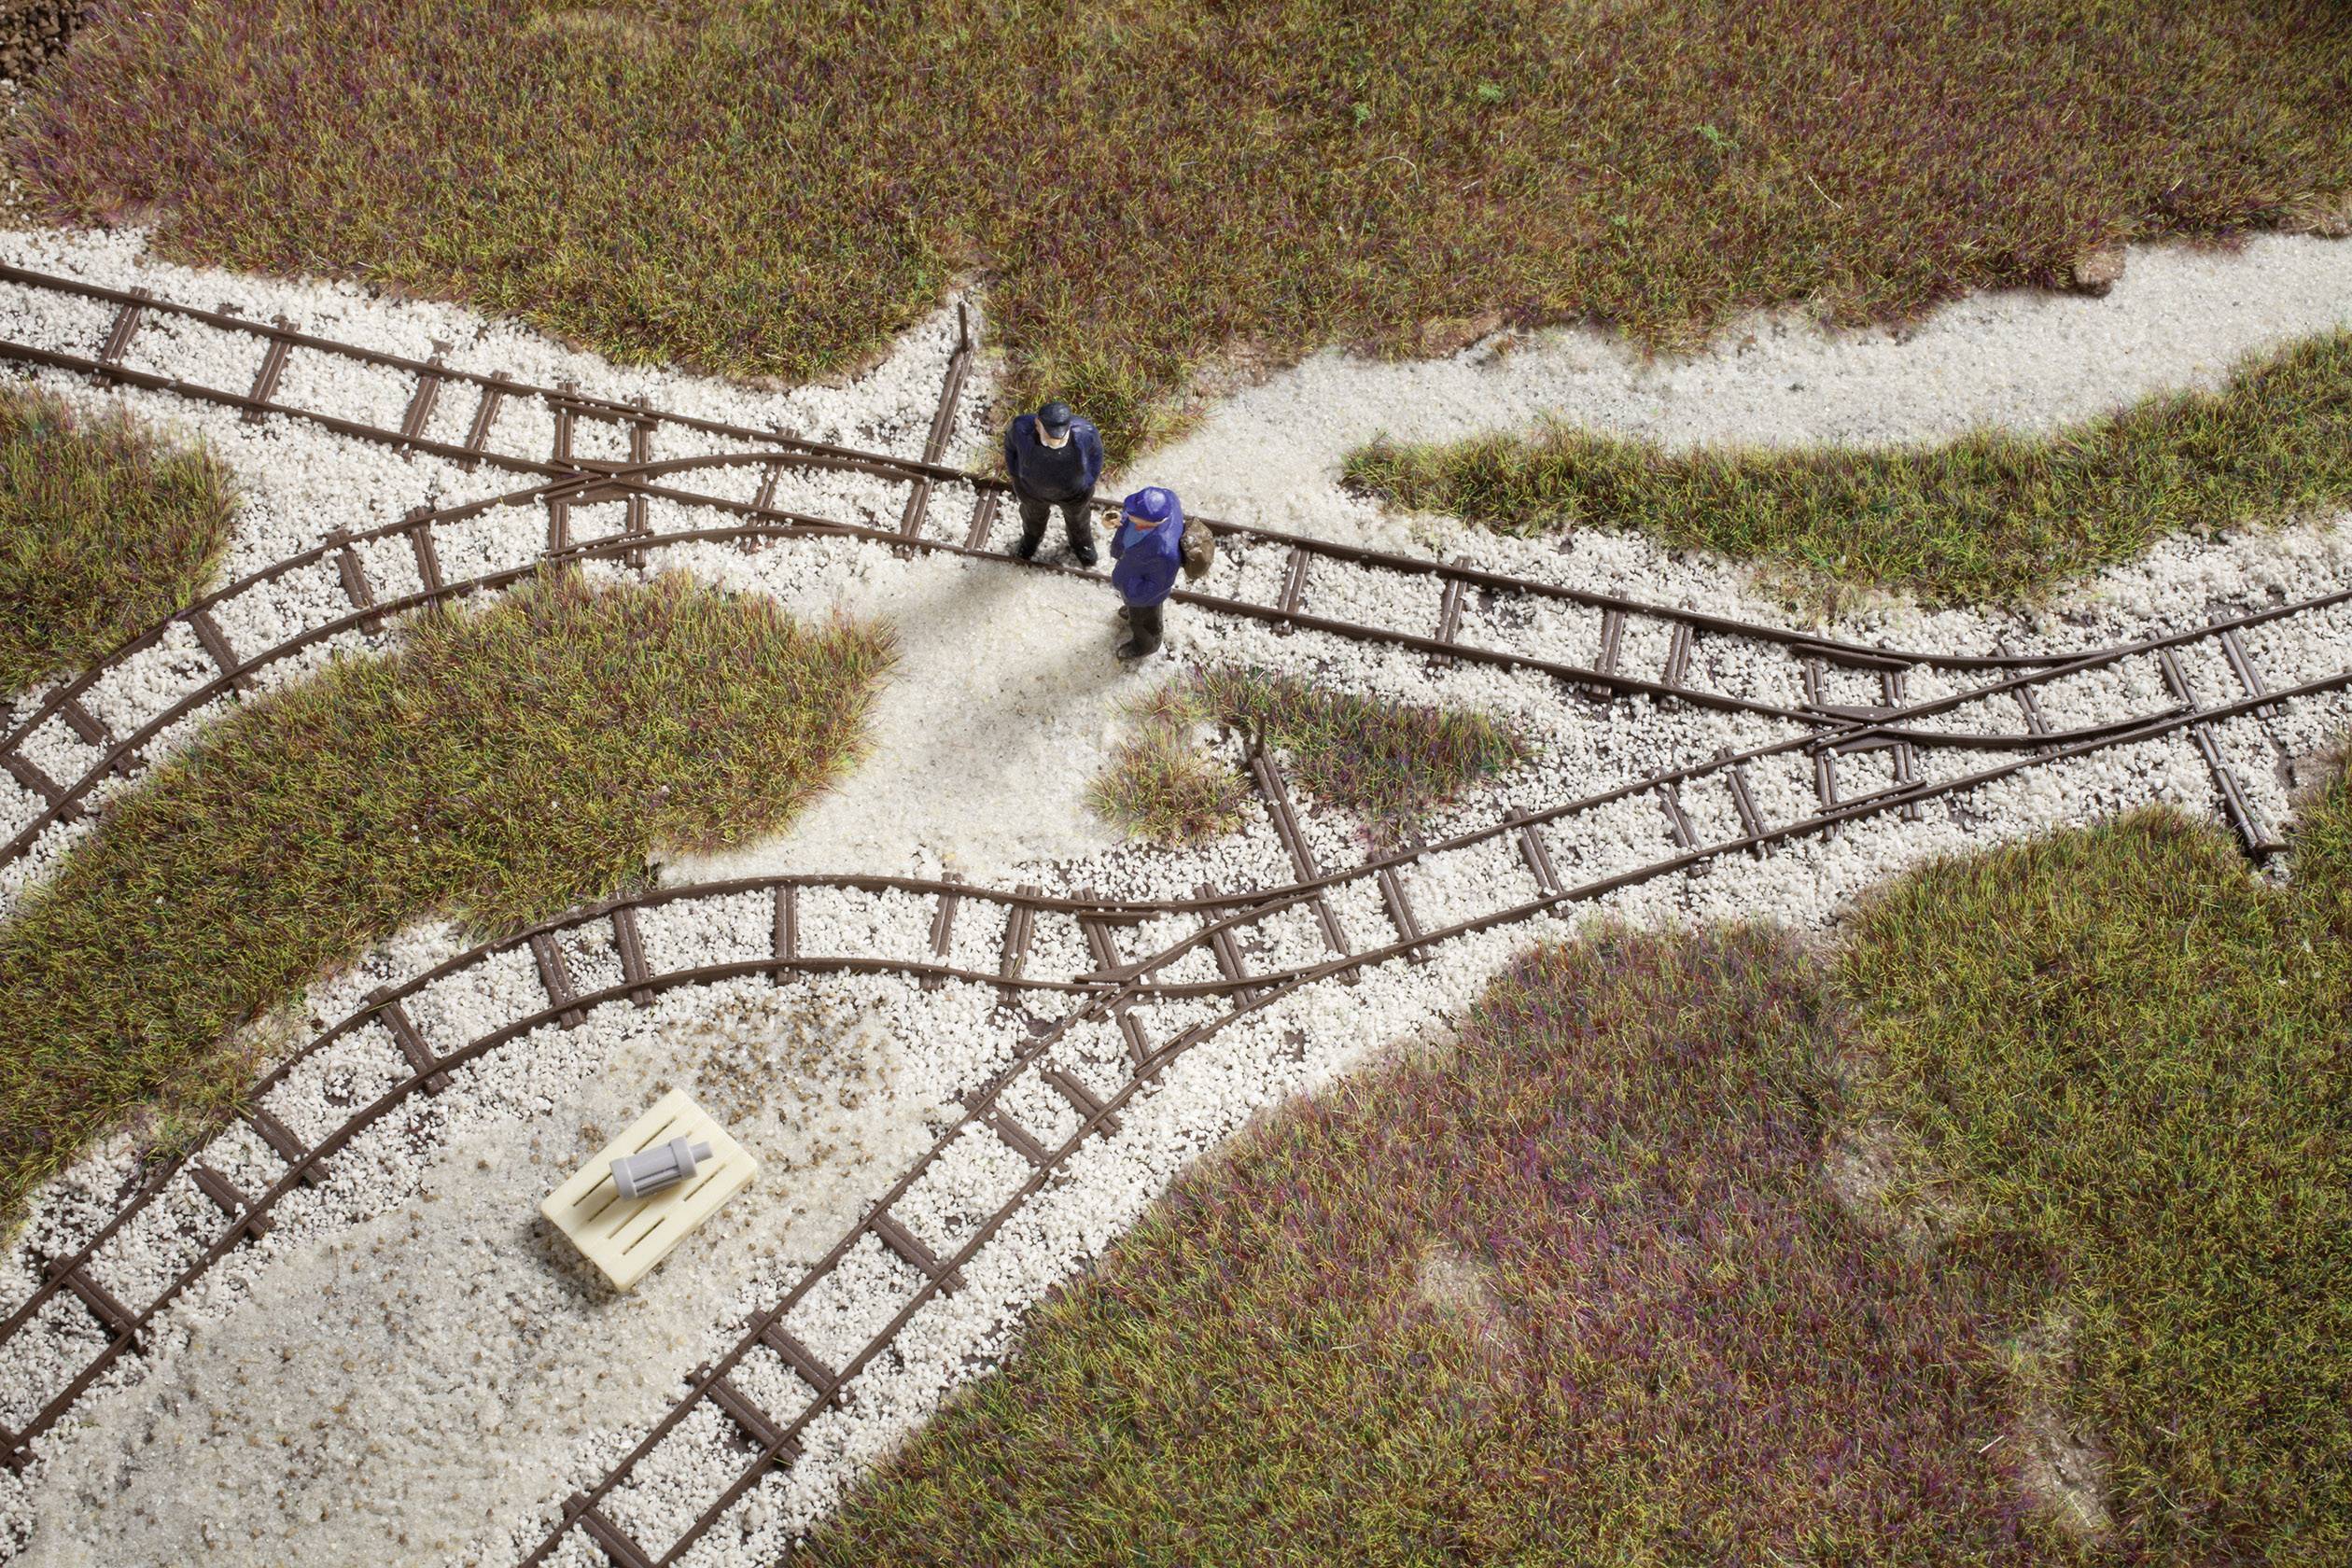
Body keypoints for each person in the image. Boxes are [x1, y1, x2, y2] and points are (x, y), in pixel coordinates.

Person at [1001, 399, 1104, 566]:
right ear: (1037, 423)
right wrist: (1016, 475)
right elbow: (1010, 448)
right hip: (1033, 492)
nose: (1056, 439)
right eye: (1050, 434)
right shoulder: (1020, 429)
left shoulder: (1086, 433)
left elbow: (1096, 455)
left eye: (1060, 434)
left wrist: (1088, 481)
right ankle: (1031, 540)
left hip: (1074, 493)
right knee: (1032, 519)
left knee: (1078, 520)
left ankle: (1082, 544)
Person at [1109, 485, 1186, 660]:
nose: (1127, 514)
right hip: (1132, 571)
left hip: (1143, 594)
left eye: (1133, 515)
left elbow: (1159, 585)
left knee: (1142, 621)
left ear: (1152, 521)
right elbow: (1129, 518)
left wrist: (1133, 593)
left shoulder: (1164, 553)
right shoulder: (1166, 498)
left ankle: (1145, 645)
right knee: (1133, 609)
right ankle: (1131, 608)